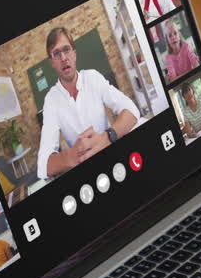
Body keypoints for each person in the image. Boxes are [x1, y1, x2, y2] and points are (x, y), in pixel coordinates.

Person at [37, 27, 140, 179]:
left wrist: (106, 138)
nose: (64, 58)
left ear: (74, 53)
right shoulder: (51, 100)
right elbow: (43, 166)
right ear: (52, 62)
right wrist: (71, 156)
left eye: (67, 49)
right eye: (57, 54)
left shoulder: (93, 77)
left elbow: (132, 110)